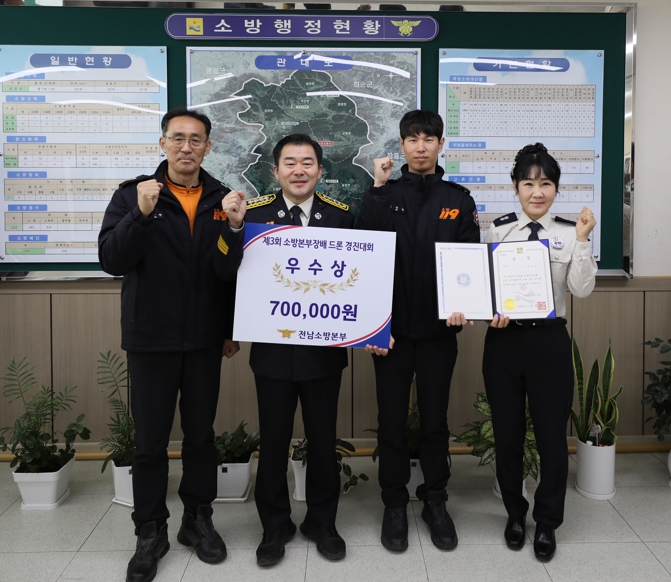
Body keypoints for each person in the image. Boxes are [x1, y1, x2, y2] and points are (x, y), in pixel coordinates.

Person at [98, 108, 247, 582]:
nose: (187, 147)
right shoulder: (134, 195)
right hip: (151, 338)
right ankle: (150, 531)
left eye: (196, 139)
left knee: (201, 436)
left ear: (208, 147)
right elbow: (112, 259)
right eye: (178, 138)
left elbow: (226, 272)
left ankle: (197, 520)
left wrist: (234, 229)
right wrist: (140, 216)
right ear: (162, 143)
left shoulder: (222, 198)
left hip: (203, 339)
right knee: (150, 442)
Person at [356, 110, 480, 552]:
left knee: (434, 421)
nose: (421, 147)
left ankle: (435, 500)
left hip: (438, 333)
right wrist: (375, 327)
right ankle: (393, 503)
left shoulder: (458, 199)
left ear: (441, 145)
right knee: (390, 421)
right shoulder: (385, 194)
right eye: (413, 139)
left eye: (429, 139)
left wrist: (465, 304)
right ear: (403, 144)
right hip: (390, 335)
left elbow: (469, 262)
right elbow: (365, 256)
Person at [475, 142, 597, 562]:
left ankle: (547, 521)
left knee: (550, 439)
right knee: (507, 435)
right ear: (515, 187)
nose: (537, 192)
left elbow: (581, 289)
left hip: (549, 343)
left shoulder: (569, 232)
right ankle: (514, 513)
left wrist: (583, 240)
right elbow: (485, 289)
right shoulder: (498, 231)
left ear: (556, 189)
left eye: (545, 183)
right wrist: (488, 312)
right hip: (504, 343)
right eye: (528, 183)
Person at [244, 134, 354, 566]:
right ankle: (274, 525)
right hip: (272, 351)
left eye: (307, 162)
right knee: (273, 442)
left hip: (322, 354)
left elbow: (358, 279)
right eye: (289, 163)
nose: (299, 170)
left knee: (323, 441)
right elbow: (232, 277)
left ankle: (322, 522)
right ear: (275, 171)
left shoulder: (341, 217)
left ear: (320, 171)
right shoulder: (253, 216)